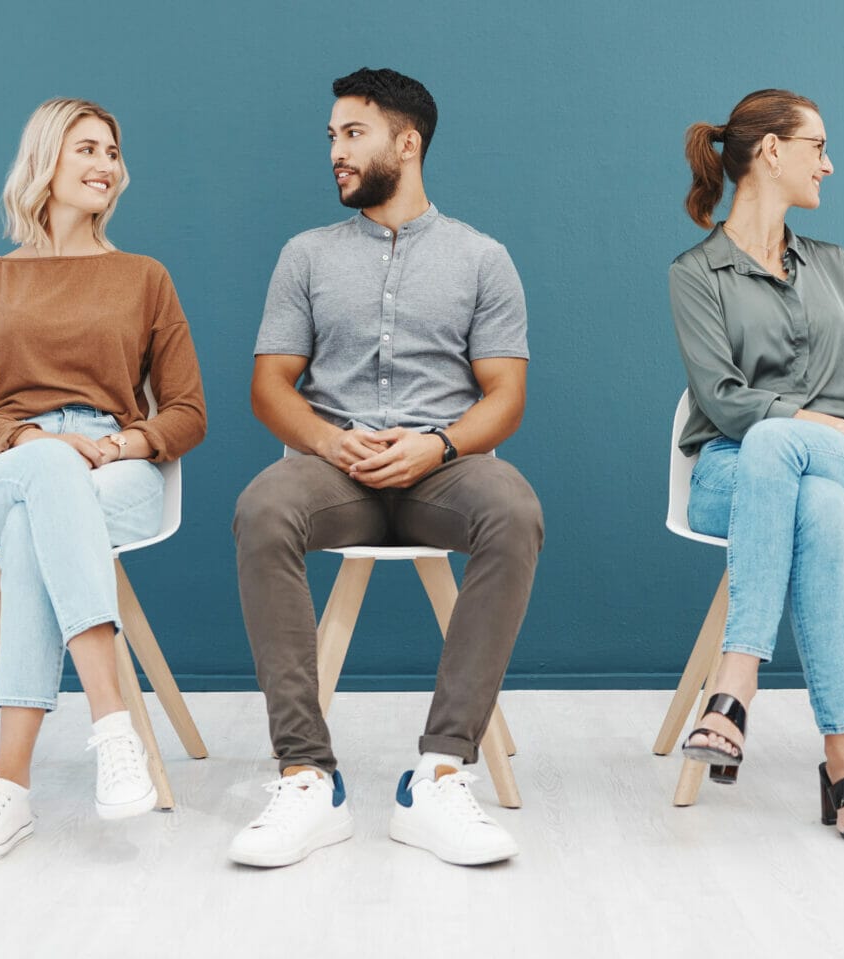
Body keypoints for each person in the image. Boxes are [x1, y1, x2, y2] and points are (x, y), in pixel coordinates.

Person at [229, 67, 542, 868]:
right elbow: (271, 385)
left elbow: (506, 396)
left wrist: (436, 446)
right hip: (334, 470)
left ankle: (439, 772)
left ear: (408, 143)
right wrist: (331, 442)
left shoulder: (483, 257)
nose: (335, 150)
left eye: (353, 133)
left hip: (443, 469)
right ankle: (306, 777)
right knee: (263, 508)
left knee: (513, 509)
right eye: (331, 136)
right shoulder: (306, 255)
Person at [0, 97, 207, 865]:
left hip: (114, 468)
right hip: (5, 463)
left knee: (36, 526)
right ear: (45, 163)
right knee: (43, 478)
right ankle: (112, 724)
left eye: (113, 153)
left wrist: (125, 442)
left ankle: (7, 788)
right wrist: (32, 439)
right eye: (87, 149)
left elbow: (187, 410)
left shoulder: (144, 277)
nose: (106, 166)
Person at [670, 89, 844, 849]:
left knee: (798, 460)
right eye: (818, 147)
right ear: (772, 151)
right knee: (813, 500)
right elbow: (725, 402)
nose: (829, 164)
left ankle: (733, 687)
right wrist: (836, 424)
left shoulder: (836, 266)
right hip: (731, 478)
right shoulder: (696, 273)